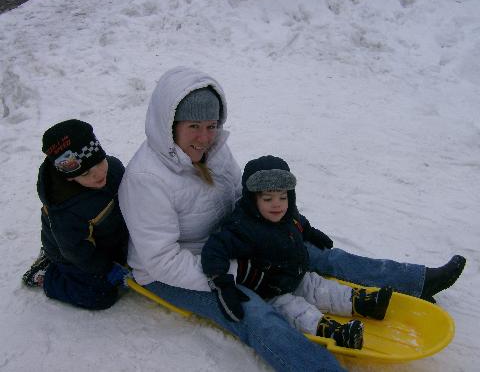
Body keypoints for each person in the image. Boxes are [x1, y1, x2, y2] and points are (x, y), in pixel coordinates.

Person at [118, 67, 349, 371]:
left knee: (312, 253)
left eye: (212, 125)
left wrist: (292, 225)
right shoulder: (146, 179)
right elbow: (162, 261)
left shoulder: (214, 151)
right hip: (174, 271)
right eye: (194, 126)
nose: (205, 138)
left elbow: (244, 199)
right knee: (253, 313)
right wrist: (238, 273)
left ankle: (413, 280)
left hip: (229, 242)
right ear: (169, 125)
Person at [202, 155, 394, 350]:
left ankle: (364, 303)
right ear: (253, 200)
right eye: (268, 198)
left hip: (295, 276)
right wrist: (222, 284)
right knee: (296, 312)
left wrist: (310, 232)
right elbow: (214, 249)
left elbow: (299, 221)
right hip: (269, 291)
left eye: (283, 197)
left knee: (321, 287)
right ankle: (335, 333)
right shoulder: (242, 228)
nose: (277, 204)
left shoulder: (287, 215)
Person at [22, 119, 130, 310]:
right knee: (100, 295)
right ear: (70, 176)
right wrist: (106, 268)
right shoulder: (65, 210)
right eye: (86, 173)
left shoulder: (113, 168)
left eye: (98, 161)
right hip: (72, 254)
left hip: (106, 237)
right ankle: (47, 275)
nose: (97, 174)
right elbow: (76, 251)